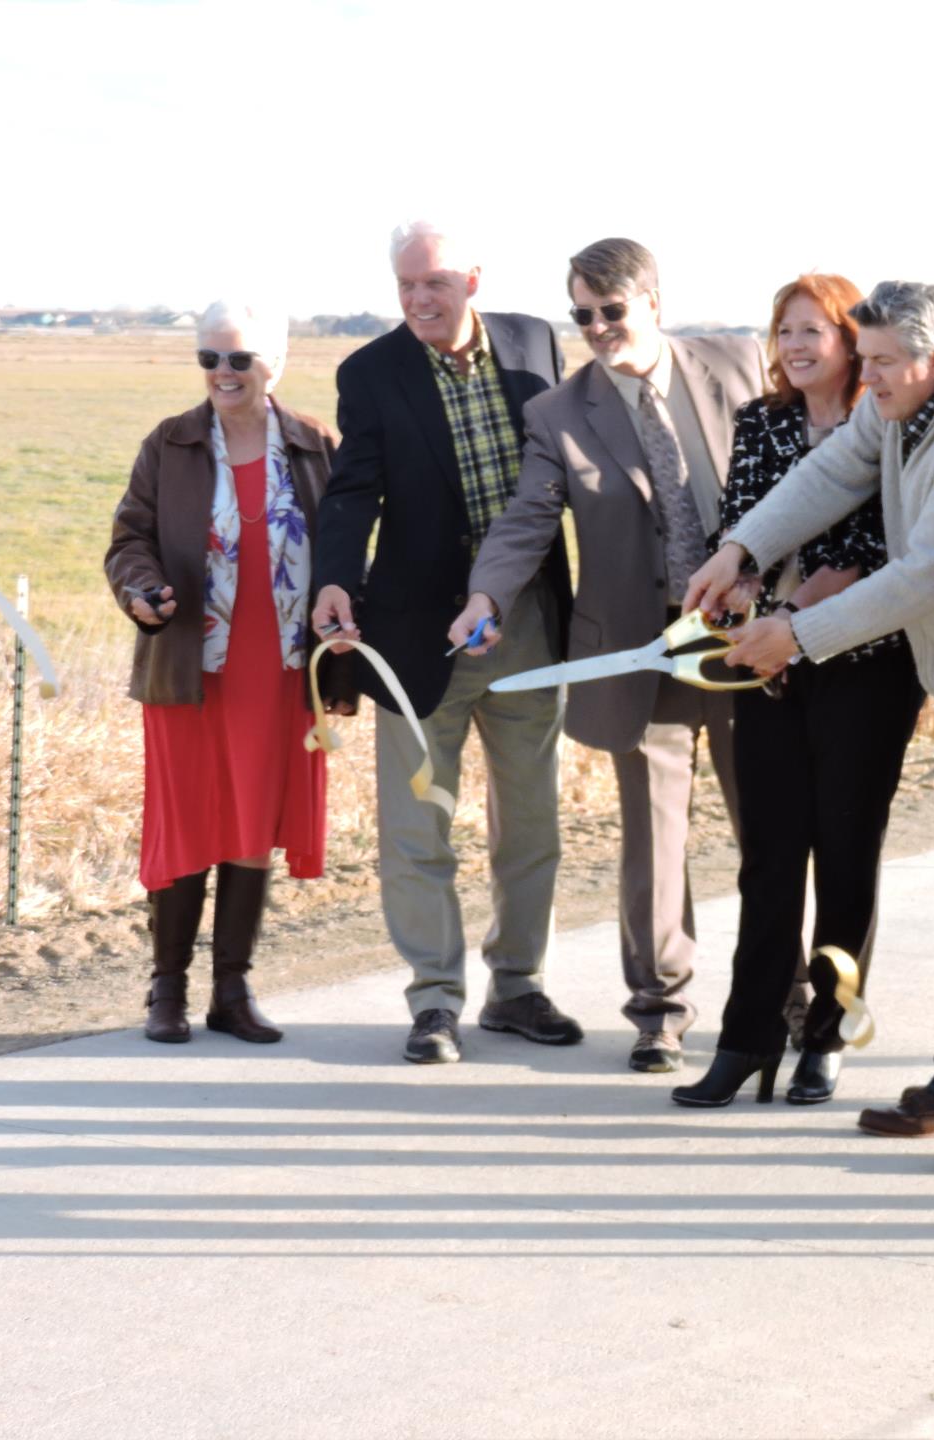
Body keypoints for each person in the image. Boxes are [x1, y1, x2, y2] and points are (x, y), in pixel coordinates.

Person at [685, 280, 934, 1137]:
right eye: (866, 358)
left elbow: (924, 573)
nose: (865, 376)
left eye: (880, 362)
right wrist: (739, 550)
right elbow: (831, 472)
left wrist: (798, 636)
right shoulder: (897, 402)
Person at [458, 238, 765, 1075]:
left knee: (767, 829)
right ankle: (660, 1010)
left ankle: (790, 996)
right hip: (645, 649)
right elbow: (528, 518)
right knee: (654, 840)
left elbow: (800, 476)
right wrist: (486, 596)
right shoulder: (560, 412)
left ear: (654, 301)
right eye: (582, 313)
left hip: (748, 640)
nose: (596, 327)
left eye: (611, 310)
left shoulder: (741, 364)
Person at [312, 220, 576, 1066]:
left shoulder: (535, 345)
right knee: (419, 828)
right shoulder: (370, 372)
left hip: (529, 620)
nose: (421, 300)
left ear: (473, 278)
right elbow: (353, 492)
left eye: (435, 283)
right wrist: (333, 580)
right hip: (416, 630)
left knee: (529, 820)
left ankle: (519, 987)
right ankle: (434, 1001)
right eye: (407, 287)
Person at [668, 274, 925, 1109]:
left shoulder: (888, 421)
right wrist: (737, 587)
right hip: (764, 663)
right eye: (784, 332)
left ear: (853, 340)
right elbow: (743, 520)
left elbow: (888, 544)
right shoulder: (762, 422)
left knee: (846, 854)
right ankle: (748, 1037)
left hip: (865, 663)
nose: (798, 346)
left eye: (815, 329)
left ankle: (827, 1034)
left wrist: (812, 596)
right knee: (768, 859)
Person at [106, 300, 355, 1046]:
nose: (222, 373)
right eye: (208, 359)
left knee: (254, 820)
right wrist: (140, 591)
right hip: (190, 662)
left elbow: (346, 550)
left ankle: (232, 990)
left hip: (280, 669)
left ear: (272, 363)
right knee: (185, 821)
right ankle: (168, 988)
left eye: (238, 359)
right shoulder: (170, 443)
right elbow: (129, 540)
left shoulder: (315, 444)